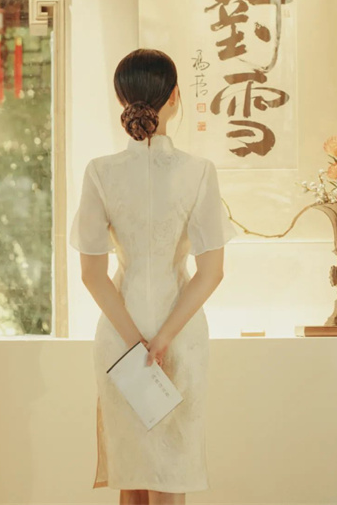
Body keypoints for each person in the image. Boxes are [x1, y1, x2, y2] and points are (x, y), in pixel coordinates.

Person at [69, 48, 238, 505]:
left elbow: (92, 274)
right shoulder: (198, 172)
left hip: (120, 337)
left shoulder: (100, 172)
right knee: (171, 473)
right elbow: (211, 272)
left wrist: (136, 345)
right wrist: (161, 341)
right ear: (175, 97)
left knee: (133, 473)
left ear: (121, 99)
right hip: (180, 336)